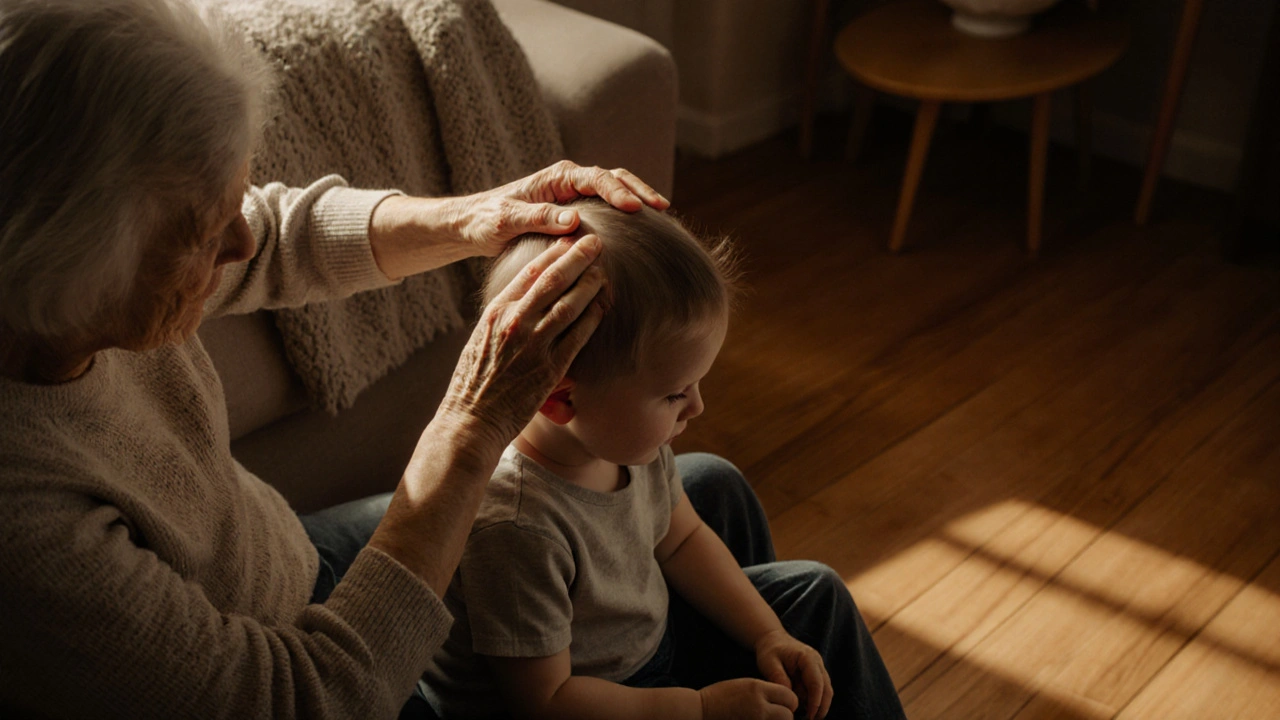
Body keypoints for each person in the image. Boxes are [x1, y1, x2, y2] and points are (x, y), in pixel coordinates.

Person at [0, 0, 670, 717]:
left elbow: (278, 232)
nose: (242, 245)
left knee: (707, 491)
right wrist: (472, 427)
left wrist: (476, 214)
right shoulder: (26, 523)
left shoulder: (63, 300)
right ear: (74, 265)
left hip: (293, 559)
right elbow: (304, 699)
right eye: (203, 234)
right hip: (310, 674)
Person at [418, 200, 906, 720]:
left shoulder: (631, 446)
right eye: (675, 394)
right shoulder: (517, 530)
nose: (697, 407)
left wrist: (769, 634)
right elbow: (547, 702)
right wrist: (700, 708)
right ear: (560, 399)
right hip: (592, 699)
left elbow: (683, 539)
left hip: (643, 655)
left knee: (817, 592)